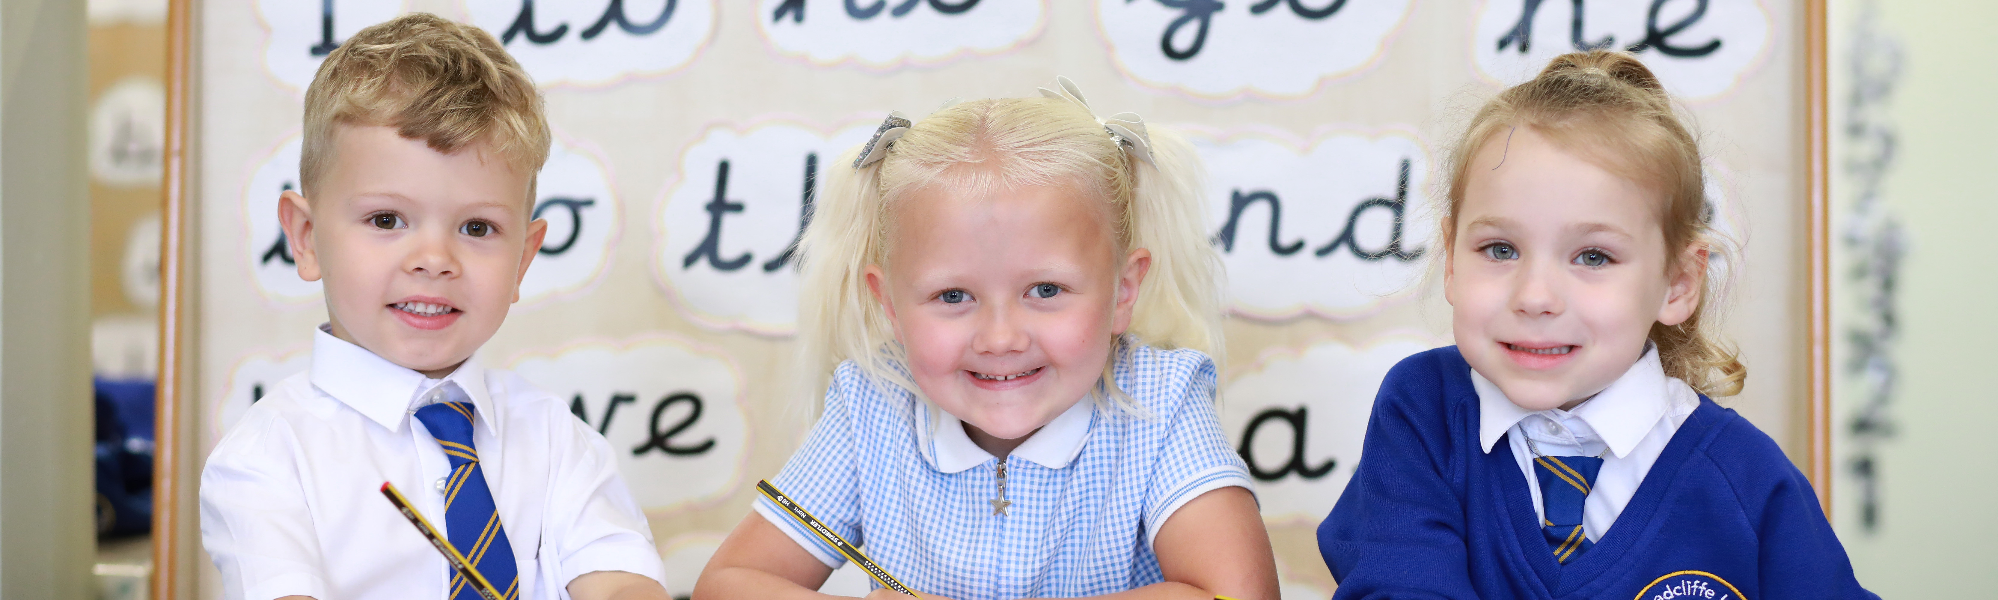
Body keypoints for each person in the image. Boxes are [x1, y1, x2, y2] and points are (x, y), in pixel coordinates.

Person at [1317, 51, 1877, 599]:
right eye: (1501, 248)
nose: (1535, 297)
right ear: (1452, 259)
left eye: (1593, 257)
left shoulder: (1745, 476)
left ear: (1678, 283)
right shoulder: (1423, 411)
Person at [693, 79, 1279, 600]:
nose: (1000, 337)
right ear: (890, 305)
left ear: (1124, 291)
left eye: (1046, 290)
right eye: (953, 297)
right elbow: (728, 583)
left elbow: (1237, 592)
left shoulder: (1160, 403)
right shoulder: (873, 404)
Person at [199, 14, 670, 600]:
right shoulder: (267, 459)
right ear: (305, 236)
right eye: (386, 220)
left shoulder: (557, 442)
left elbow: (621, 583)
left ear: (523, 259)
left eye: (477, 227)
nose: (434, 258)